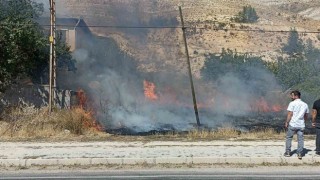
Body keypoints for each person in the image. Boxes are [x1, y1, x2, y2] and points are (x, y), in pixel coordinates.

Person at [284, 90, 309, 159]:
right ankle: (300, 154)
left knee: (289, 138)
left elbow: (290, 114)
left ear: (296, 96)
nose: (291, 97)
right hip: (301, 125)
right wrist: (304, 122)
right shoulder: (305, 104)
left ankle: (288, 152)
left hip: (293, 124)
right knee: (300, 140)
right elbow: (306, 116)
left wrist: (287, 122)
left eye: (292, 95)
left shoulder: (292, 103)